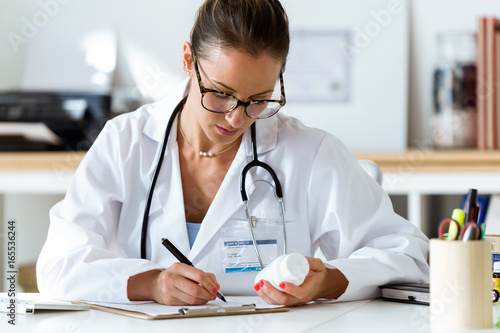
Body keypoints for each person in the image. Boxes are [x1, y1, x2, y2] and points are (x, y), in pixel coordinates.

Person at [36, 0, 429, 307]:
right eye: (221, 93)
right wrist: (150, 283)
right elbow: (58, 266)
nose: (236, 118)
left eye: (258, 100)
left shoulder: (311, 153)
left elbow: (409, 257)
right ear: (189, 61)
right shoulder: (125, 141)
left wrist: (329, 280)